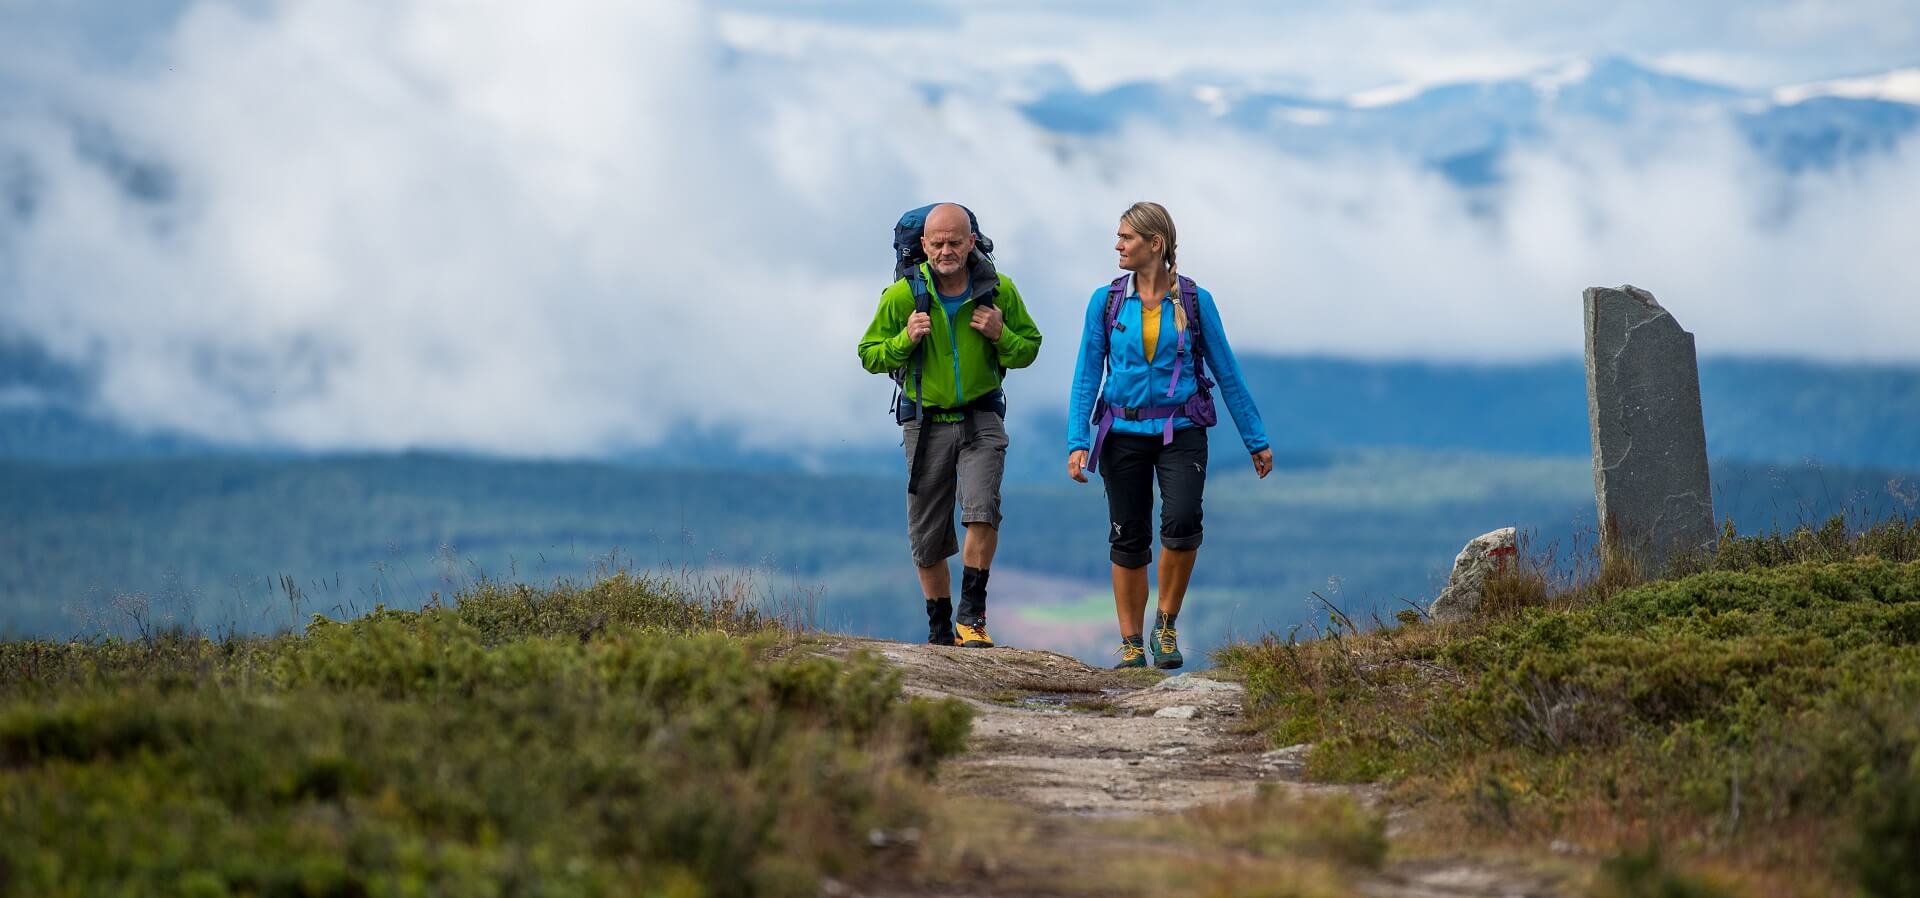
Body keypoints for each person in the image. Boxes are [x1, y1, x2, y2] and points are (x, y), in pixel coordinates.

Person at [1066, 202, 1273, 669]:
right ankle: (1131, 643)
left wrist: (1255, 439)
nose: (1117, 245)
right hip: (1120, 430)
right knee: (1128, 536)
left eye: (1126, 237)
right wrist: (1078, 441)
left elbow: (1227, 371)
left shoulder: (1196, 301)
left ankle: (1164, 624)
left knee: (1181, 523)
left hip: (1182, 429)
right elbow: (1086, 375)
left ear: (1154, 244)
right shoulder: (1107, 301)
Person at [858, 204, 1043, 648]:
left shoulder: (999, 291)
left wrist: (1002, 334)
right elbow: (869, 353)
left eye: (954, 242)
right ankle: (940, 632)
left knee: (982, 510)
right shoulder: (903, 296)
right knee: (928, 533)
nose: (945, 250)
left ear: (971, 242)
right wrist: (905, 338)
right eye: (936, 242)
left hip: (982, 417)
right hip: (925, 424)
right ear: (923, 245)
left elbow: (1029, 348)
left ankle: (971, 618)